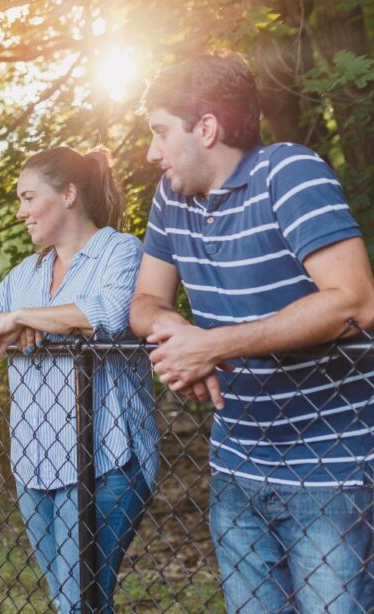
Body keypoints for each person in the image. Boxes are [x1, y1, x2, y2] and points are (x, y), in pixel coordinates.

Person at [130, 50, 374, 613]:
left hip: (329, 472)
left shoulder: (288, 172)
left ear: (207, 128)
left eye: (162, 132)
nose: (151, 152)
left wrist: (211, 345)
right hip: (237, 468)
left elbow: (354, 301)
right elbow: (145, 302)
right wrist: (177, 337)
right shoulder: (172, 199)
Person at [0, 146, 158, 613]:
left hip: (107, 457)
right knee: (74, 601)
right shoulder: (28, 272)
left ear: (68, 194)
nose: (21, 211)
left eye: (28, 197)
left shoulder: (119, 250)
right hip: (35, 462)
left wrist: (26, 317)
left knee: (78, 602)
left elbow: (106, 314)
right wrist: (14, 320)